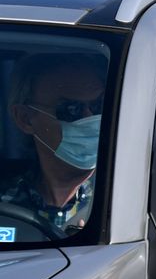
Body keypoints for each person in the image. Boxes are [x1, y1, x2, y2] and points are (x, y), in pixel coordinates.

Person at [4, 53, 105, 234]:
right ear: (25, 119)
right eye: (71, 108)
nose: (90, 119)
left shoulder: (137, 201)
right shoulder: (5, 204)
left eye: (99, 106)